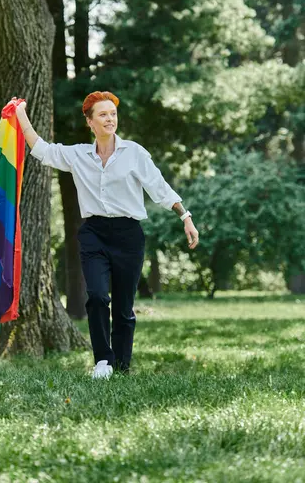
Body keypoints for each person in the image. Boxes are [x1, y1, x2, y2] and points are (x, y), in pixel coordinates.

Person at [15, 90, 199, 379]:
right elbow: (41, 149)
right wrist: (20, 114)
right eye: (103, 114)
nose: (110, 119)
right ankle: (103, 361)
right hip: (94, 234)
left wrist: (185, 216)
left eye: (112, 114)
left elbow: (158, 186)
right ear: (90, 122)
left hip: (128, 235)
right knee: (98, 296)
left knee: (124, 307)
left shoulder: (134, 153)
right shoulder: (78, 155)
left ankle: (122, 367)